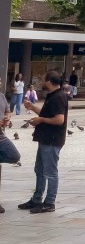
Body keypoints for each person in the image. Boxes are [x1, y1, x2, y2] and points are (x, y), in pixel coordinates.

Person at [20, 70, 68, 214]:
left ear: (48, 82)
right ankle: (36, 199)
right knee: (40, 170)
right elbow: (48, 114)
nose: (40, 80)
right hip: (45, 138)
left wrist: (40, 120)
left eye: (42, 78)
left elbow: (59, 120)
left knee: (50, 172)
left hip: (52, 140)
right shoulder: (53, 96)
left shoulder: (58, 97)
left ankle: (49, 202)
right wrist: (33, 108)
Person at [0, 75, 22, 214]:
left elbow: (7, 110)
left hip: (1, 136)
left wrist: (8, 117)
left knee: (14, 156)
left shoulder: (1, 96)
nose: (0, 82)